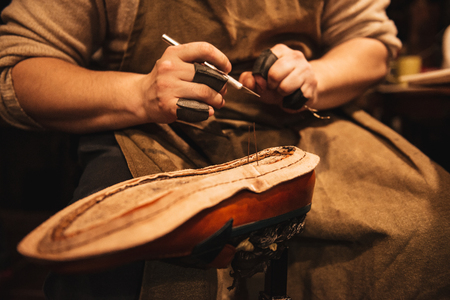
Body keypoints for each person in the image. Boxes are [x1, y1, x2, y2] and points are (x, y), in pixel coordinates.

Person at [1, 0, 449, 299]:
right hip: (152, 129)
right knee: (121, 260)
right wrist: (140, 93)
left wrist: (314, 77)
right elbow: (20, 70)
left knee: (427, 230)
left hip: (294, 124)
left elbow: (372, 44)